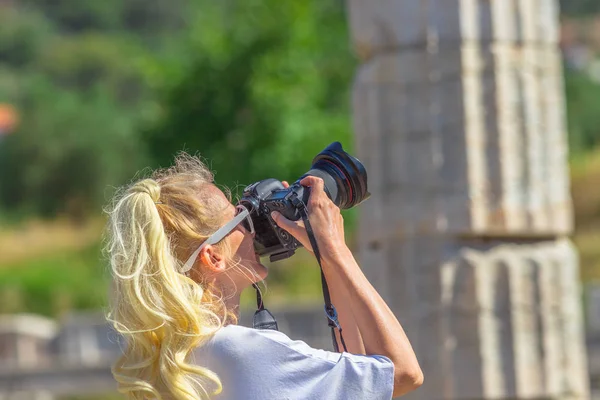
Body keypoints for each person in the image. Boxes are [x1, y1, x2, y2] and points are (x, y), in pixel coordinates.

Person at [105, 153, 423, 400]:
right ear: (213, 256)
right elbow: (403, 373)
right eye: (240, 218)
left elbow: (359, 378)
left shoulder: (174, 360)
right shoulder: (239, 351)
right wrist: (336, 249)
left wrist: (327, 259)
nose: (252, 228)